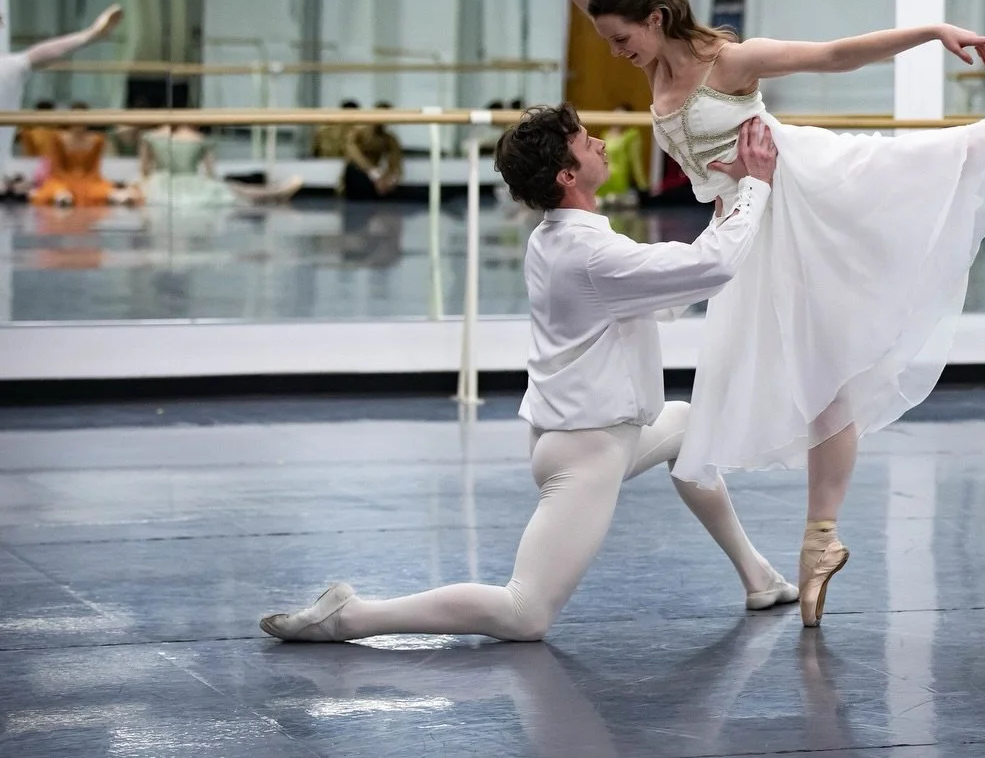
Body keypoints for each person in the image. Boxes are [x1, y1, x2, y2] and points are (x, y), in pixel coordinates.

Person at [455, 0, 985, 627]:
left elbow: (834, 55)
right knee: (826, 376)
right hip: (753, 223)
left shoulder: (728, 62)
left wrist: (929, 30)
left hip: (802, 191)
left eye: (620, 38)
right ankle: (819, 541)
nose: (614, 52)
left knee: (965, 147)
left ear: (656, 19)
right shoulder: (654, 69)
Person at [260, 106, 797, 643]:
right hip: (588, 451)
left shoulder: (560, 237)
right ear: (567, 175)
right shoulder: (589, 252)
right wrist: (754, 187)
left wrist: (731, 200)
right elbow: (712, 268)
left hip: (587, 438)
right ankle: (352, 616)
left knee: (687, 429)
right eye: (588, 143)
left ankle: (759, 577)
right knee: (524, 613)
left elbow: (667, 291)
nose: (602, 145)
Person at [0, 4, 124, 198]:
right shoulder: (9, 68)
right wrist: (90, 35)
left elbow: (40, 54)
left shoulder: (8, 68)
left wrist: (90, 35)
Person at [138, 124, 302, 208]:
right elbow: (211, 172)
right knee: (235, 189)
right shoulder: (198, 138)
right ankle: (275, 192)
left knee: (234, 189)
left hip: (159, 184)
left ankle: (275, 192)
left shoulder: (151, 137)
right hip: (189, 182)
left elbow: (144, 169)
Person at [28, 101, 139, 207]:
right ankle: (63, 197)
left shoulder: (97, 140)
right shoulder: (58, 138)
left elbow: (94, 170)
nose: (78, 122)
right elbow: (57, 169)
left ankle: (114, 196)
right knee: (57, 190)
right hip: (62, 179)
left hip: (89, 181)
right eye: (75, 117)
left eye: (82, 117)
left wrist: (83, 181)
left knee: (102, 191)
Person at [340, 100, 403, 200]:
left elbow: (396, 161)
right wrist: (373, 173)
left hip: (376, 177)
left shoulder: (389, 138)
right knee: (355, 171)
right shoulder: (357, 133)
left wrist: (391, 179)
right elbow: (354, 155)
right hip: (358, 174)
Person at [595, 103, 648, 208]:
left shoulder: (632, 135)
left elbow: (636, 162)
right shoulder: (605, 134)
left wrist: (643, 187)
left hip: (619, 178)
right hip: (603, 176)